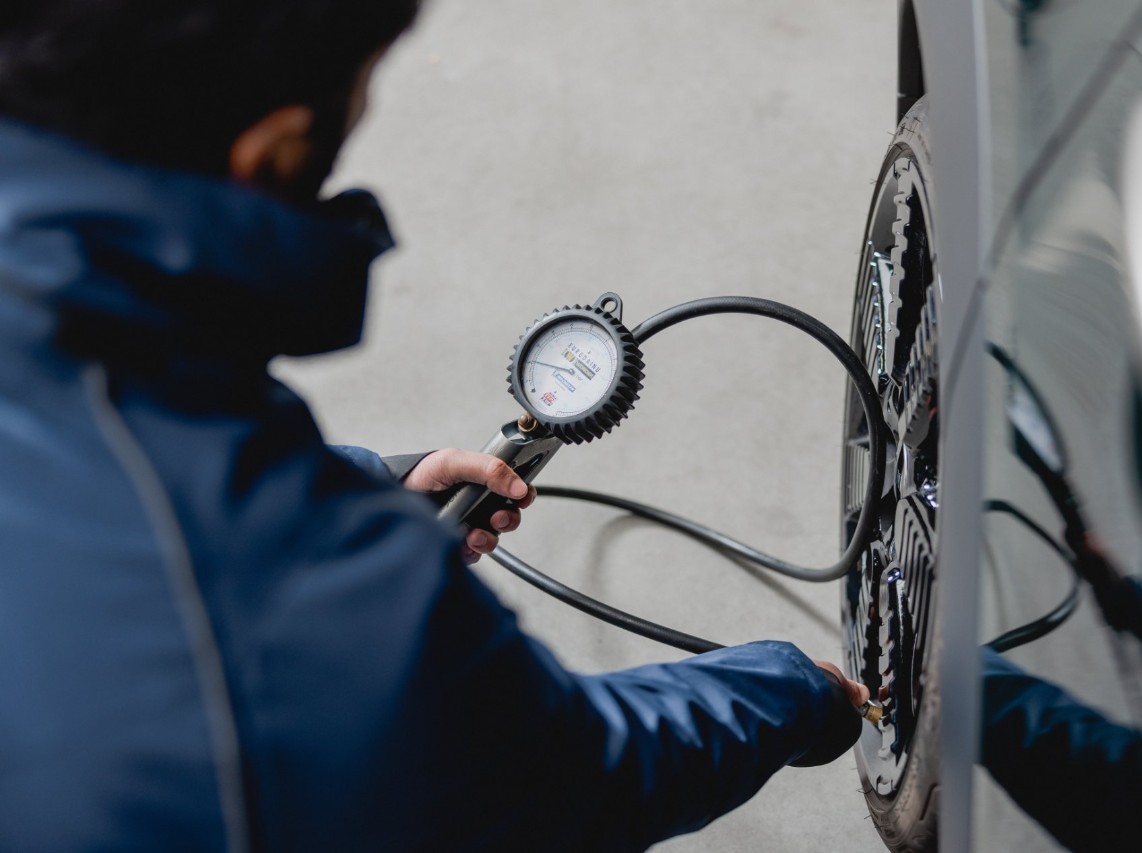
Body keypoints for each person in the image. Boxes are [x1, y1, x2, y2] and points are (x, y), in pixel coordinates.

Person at [0, 1, 869, 850]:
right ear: (273, 150)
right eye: (361, 90)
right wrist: (794, 692)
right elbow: (573, 780)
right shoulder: (319, 620)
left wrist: (347, 488)